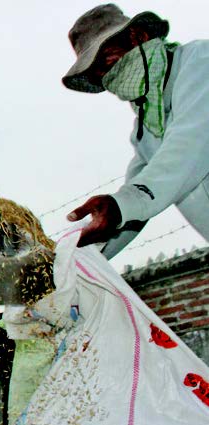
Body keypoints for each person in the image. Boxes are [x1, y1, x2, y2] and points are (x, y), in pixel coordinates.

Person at [63, 4, 209, 257]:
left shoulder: (201, 62)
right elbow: (132, 204)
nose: (105, 77)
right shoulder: (147, 131)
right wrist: (70, 258)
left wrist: (123, 205)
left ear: (138, 37)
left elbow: (191, 143)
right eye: (97, 74)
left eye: (105, 60)